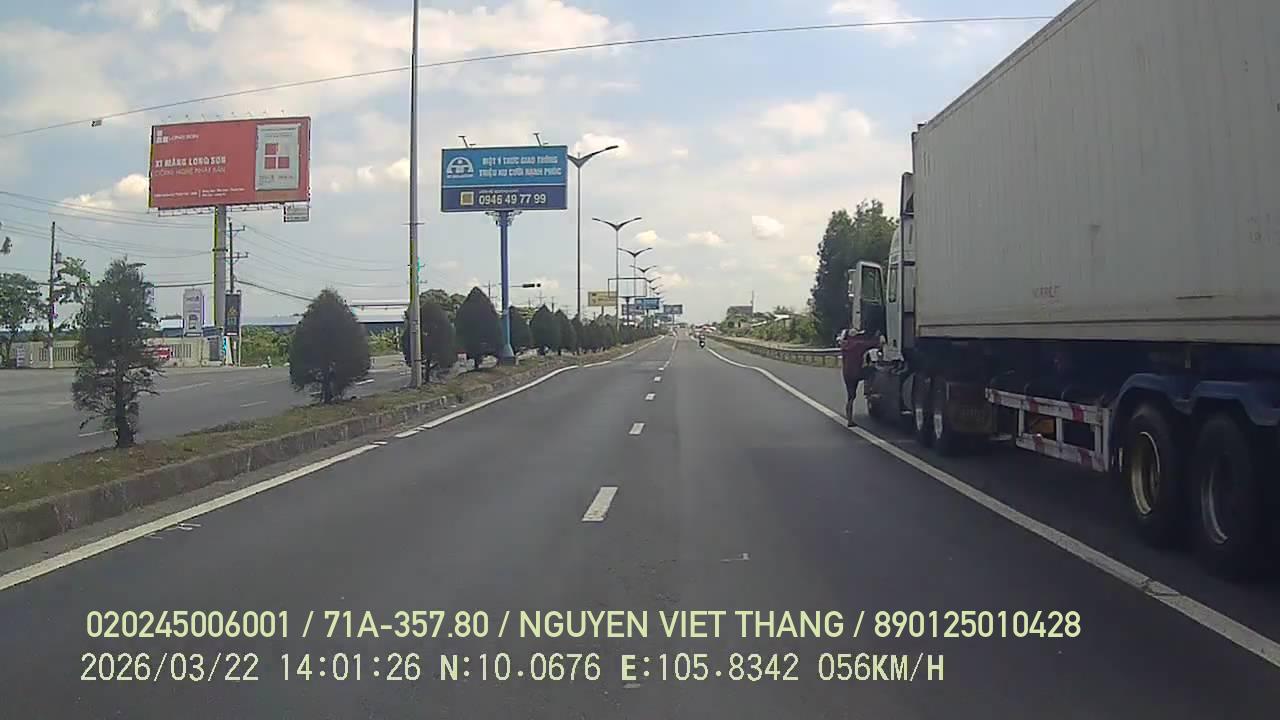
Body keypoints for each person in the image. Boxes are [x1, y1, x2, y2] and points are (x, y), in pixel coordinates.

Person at [840, 327, 878, 427]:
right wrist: (879, 339)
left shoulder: (844, 345)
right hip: (858, 372)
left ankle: (849, 420)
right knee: (873, 370)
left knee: (851, 397)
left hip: (847, 374)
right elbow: (873, 344)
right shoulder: (859, 344)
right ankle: (870, 389)